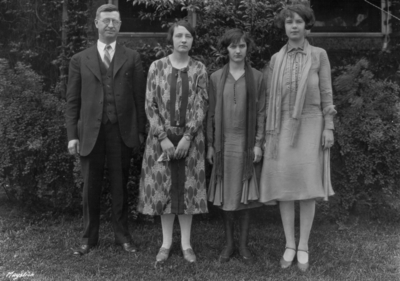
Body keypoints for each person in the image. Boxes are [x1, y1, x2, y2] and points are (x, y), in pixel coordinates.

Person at [259, 0, 336, 271]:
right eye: (289, 21)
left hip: (312, 125)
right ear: (285, 26)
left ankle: (303, 244)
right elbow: (269, 100)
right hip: (280, 129)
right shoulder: (276, 59)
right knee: (285, 188)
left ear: (306, 26)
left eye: (298, 22)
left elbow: (326, 94)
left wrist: (329, 127)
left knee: (306, 188)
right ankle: (289, 244)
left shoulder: (319, 55)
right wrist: (266, 135)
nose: (294, 26)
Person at [65, 4, 146, 256]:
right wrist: (72, 136)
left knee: (120, 185)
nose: (111, 25)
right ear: (96, 23)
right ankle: (89, 238)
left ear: (120, 26)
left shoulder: (132, 57)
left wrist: (140, 131)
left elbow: (139, 98)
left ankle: (123, 236)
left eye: (115, 21)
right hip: (90, 132)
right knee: (90, 186)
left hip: (121, 131)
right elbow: (72, 101)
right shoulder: (79, 59)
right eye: (106, 20)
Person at [137, 21, 208, 263]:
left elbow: (201, 105)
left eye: (188, 36)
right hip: (161, 140)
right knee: (163, 190)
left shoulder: (199, 69)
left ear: (192, 40)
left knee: (188, 190)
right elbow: (150, 104)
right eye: (179, 35)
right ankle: (166, 243)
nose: (184, 40)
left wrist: (188, 137)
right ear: (172, 39)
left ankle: (187, 244)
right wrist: (163, 138)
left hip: (191, 140)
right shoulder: (157, 67)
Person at [207, 29, 266, 262]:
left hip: (246, 144)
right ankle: (229, 244)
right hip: (224, 145)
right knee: (226, 197)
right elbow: (211, 114)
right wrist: (211, 145)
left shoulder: (258, 77)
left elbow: (261, 113)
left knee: (244, 198)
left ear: (247, 48)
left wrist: (258, 144)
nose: (238, 50)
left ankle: (243, 246)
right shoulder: (215, 77)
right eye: (233, 46)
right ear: (227, 49)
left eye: (242, 46)